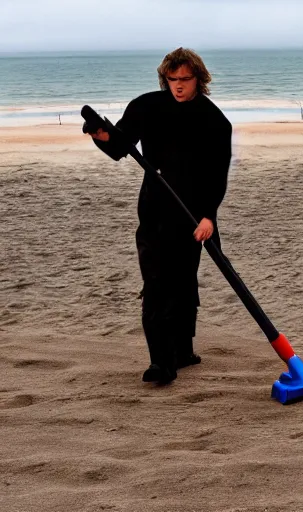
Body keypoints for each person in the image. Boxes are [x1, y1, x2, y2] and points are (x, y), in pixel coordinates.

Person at [85, 48, 232, 385]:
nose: (178, 86)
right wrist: (100, 135)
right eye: (172, 79)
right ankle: (160, 363)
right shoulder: (147, 106)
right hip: (154, 207)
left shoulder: (215, 121)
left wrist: (209, 216)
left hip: (194, 215)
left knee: (183, 280)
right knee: (156, 283)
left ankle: (183, 351)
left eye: (185, 79)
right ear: (165, 79)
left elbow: (217, 175)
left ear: (199, 78)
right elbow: (120, 147)